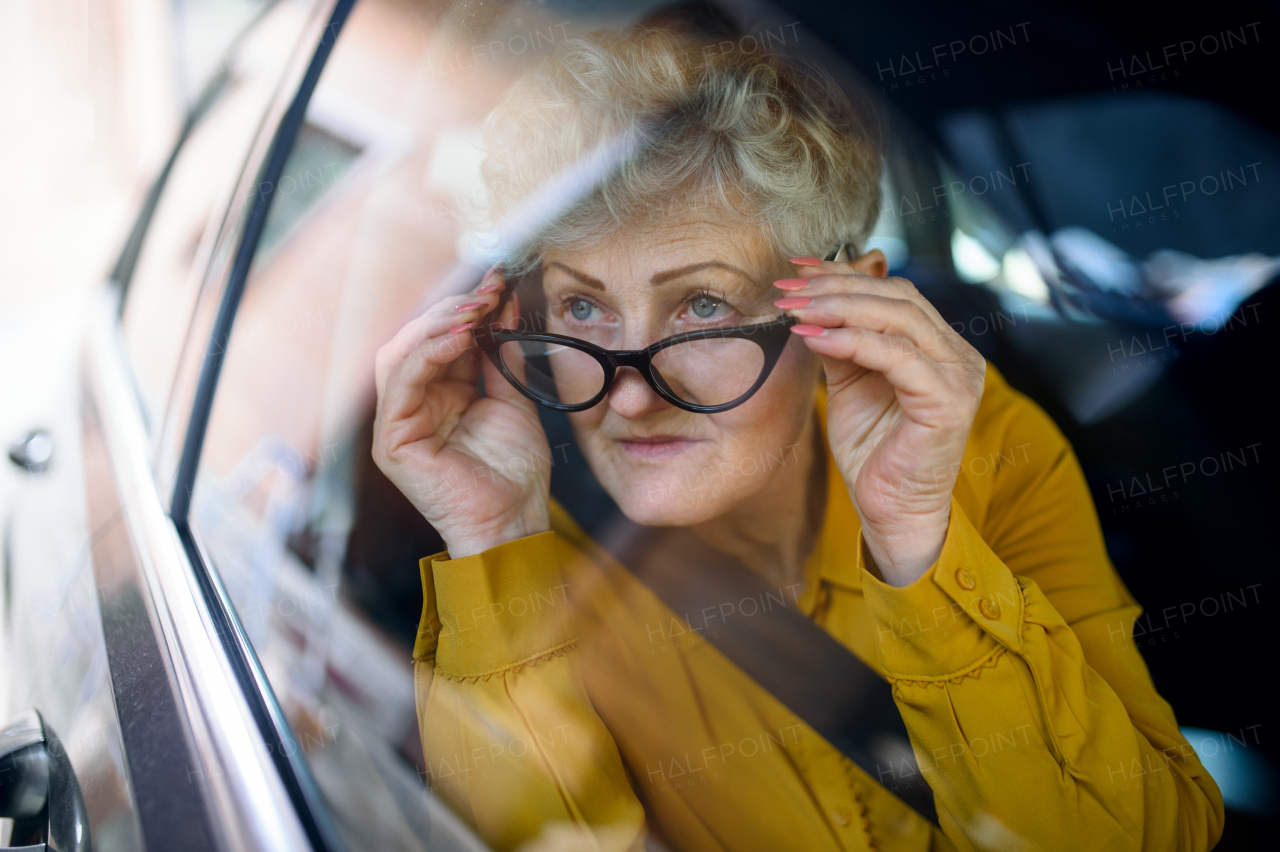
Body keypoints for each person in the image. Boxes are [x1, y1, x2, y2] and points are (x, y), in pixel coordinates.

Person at [371, 29, 1223, 852]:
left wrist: (917, 544)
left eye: (704, 305)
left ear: (843, 315)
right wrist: (491, 540)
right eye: (583, 306)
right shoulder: (535, 566)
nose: (626, 395)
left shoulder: (982, 449)